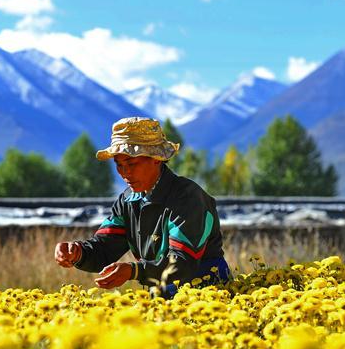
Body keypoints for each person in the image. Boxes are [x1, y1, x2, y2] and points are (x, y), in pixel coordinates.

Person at [54, 117, 231, 297]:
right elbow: (104, 249)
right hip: (160, 299)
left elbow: (182, 262)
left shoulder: (188, 198)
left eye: (131, 164)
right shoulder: (128, 201)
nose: (125, 173)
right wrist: (78, 252)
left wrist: (134, 271)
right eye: (119, 165)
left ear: (156, 158)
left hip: (207, 299)